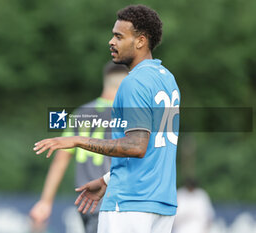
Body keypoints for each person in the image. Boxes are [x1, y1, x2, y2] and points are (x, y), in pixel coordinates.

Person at [33, 4, 180, 233]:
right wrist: (107, 180)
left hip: (129, 201)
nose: (111, 42)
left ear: (140, 41)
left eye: (119, 36)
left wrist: (78, 140)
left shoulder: (134, 82)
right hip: (162, 202)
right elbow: (151, 149)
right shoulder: (167, 79)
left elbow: (136, 146)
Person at [29, 62, 128, 233]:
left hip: (85, 201)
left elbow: (61, 159)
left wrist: (45, 201)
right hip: (114, 200)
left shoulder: (81, 112)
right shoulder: (126, 114)